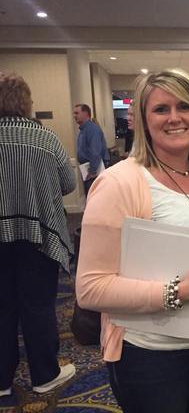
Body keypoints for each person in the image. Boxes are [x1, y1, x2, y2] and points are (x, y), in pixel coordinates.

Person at [75, 68, 189, 413]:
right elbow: (90, 288)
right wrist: (177, 292)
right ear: (142, 119)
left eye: (184, 106)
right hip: (151, 354)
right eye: (161, 109)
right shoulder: (119, 183)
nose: (174, 118)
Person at [0, 72, 77, 397]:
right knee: (38, 306)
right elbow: (68, 184)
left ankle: (1, 381)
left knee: (2, 307)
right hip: (39, 235)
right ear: (27, 102)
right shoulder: (46, 138)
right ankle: (45, 374)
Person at [73, 103, 109, 194]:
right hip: (88, 169)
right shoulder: (84, 130)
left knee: (94, 196)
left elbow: (95, 151)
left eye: (77, 113)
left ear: (86, 113)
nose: (74, 116)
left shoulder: (92, 129)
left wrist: (93, 171)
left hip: (94, 171)